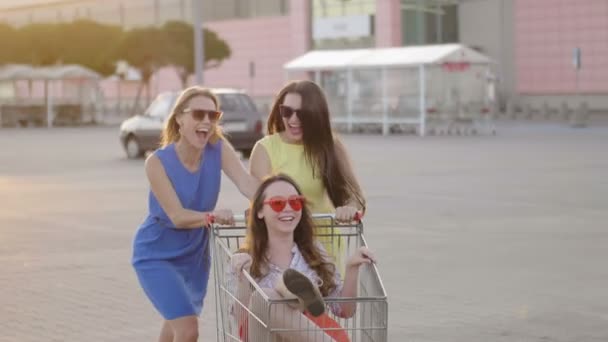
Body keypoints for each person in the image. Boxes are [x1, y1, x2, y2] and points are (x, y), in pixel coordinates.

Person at [131, 86, 258, 342]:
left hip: (194, 256)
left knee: (175, 324)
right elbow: (177, 216)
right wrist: (210, 216)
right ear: (179, 118)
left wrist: (276, 201)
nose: (207, 122)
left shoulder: (218, 149)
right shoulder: (156, 162)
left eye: (214, 116)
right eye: (199, 114)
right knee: (188, 329)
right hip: (157, 254)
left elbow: (246, 182)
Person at [230, 174, 376, 341]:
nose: (288, 208)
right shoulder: (244, 259)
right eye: (277, 203)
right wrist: (243, 278)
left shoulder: (314, 252)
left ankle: (296, 297)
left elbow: (344, 311)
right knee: (264, 298)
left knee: (274, 297)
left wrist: (352, 267)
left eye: (294, 202)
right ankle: (297, 297)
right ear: (260, 211)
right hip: (264, 337)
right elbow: (239, 320)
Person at [249, 80, 365, 223]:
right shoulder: (264, 149)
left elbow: (354, 195)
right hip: (283, 241)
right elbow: (258, 202)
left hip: (325, 240)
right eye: (287, 111)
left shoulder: (329, 145)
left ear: (315, 114)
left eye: (302, 113)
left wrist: (349, 208)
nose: (293, 119)